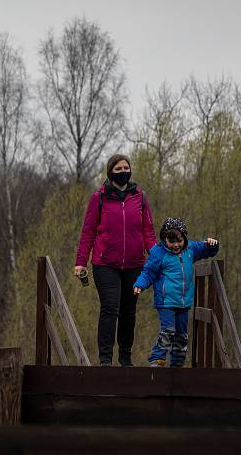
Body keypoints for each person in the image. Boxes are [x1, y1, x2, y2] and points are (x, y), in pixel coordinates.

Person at [74, 154, 156, 367]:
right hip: (105, 264)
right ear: (110, 172)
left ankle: (125, 357)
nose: (123, 172)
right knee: (110, 308)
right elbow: (88, 232)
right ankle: (105, 359)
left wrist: (157, 258)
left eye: (126, 168)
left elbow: (148, 232)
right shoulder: (98, 198)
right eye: (118, 169)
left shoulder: (140, 197)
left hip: (134, 264)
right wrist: (80, 261)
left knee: (129, 310)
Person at [133, 217, 219, 368]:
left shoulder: (191, 249)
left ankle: (177, 364)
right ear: (164, 239)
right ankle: (157, 359)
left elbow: (207, 251)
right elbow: (148, 272)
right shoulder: (159, 253)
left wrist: (212, 244)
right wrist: (140, 284)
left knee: (182, 335)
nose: (175, 245)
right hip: (165, 301)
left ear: (184, 237)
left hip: (183, 302)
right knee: (168, 330)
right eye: (171, 241)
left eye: (179, 241)